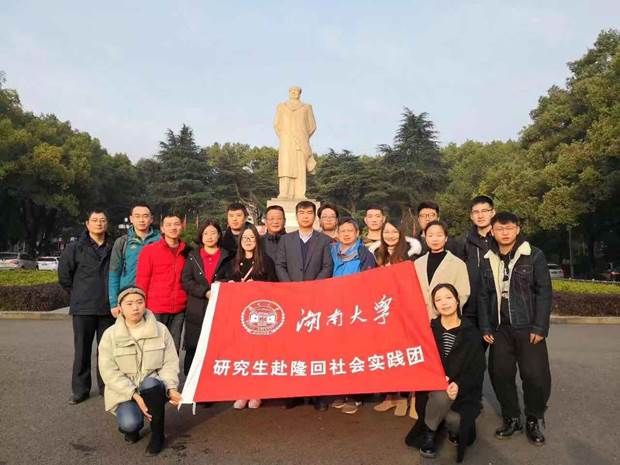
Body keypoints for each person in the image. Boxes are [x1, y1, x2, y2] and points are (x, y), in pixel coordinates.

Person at [478, 212, 552, 446]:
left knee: (535, 376)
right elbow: (483, 295)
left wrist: (540, 326)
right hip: (500, 328)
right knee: (500, 374)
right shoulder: (488, 258)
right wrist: (485, 325)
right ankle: (511, 418)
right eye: (500, 229)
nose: (505, 233)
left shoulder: (534, 255)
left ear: (518, 229)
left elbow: (544, 292)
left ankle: (533, 418)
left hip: (528, 326)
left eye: (509, 228)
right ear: (492, 231)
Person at [405, 284, 485, 463]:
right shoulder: (429, 331)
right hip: (433, 389)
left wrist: (459, 385)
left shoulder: (471, 333)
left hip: (462, 392)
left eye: (448, 297)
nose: (444, 303)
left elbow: (477, 369)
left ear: (457, 300)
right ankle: (430, 433)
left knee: (456, 421)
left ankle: (444, 424)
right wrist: (437, 379)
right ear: (434, 305)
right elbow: (420, 362)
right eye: (438, 299)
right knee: (441, 395)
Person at [98, 287, 181, 456]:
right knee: (129, 423)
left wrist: (171, 387)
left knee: (151, 383)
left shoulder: (160, 330)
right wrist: (135, 395)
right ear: (120, 308)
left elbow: (170, 362)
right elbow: (109, 372)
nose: (135, 307)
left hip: (152, 386)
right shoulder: (110, 335)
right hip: (125, 392)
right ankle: (131, 428)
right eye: (129, 304)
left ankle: (158, 434)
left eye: (139, 302)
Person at [276, 200, 333, 410]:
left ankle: (318, 394)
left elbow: (327, 266)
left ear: (314, 216)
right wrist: (291, 288)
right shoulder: (286, 240)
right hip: (292, 300)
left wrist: (312, 288)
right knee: (293, 348)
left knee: (317, 348)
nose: (305, 216)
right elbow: (280, 265)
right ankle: (295, 392)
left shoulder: (325, 240)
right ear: (296, 216)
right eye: (302, 212)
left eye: (309, 212)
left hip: (316, 300)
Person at [58, 209, 115, 405]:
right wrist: (79, 294)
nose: (99, 223)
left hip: (108, 308)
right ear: (87, 224)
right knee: (82, 350)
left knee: (107, 351)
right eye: (95, 220)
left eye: (102, 220)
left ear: (107, 224)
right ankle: (80, 390)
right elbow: (64, 277)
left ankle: (107, 387)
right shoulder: (75, 248)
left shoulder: (114, 246)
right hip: (83, 307)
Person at [371, 219, 420, 417]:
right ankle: (393, 397)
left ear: (401, 234)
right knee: (388, 356)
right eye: (386, 232)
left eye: (394, 232)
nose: (390, 236)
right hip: (384, 312)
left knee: (409, 355)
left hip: (406, 312)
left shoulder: (411, 255)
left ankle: (414, 399)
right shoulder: (378, 255)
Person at [329, 217, 375, 414]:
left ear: (357, 233)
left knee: (357, 352)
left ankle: (356, 396)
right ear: (337, 233)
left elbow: (370, 281)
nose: (346, 234)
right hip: (335, 309)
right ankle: (341, 391)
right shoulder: (331, 251)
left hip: (356, 310)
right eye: (343, 231)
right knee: (338, 352)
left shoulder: (365, 254)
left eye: (350, 231)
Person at [230, 224, 278, 410]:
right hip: (239, 316)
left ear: (257, 240)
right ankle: (242, 391)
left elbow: (275, 286)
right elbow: (223, 281)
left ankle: (257, 392)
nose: (248, 241)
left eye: (251, 237)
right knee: (241, 355)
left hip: (260, 316)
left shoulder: (266, 262)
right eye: (244, 238)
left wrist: (257, 286)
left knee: (258, 355)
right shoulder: (233, 262)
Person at [181, 219, 233, 376]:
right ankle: (191, 381)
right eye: (205, 233)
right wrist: (205, 292)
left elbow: (231, 277)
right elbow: (186, 280)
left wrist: (221, 285)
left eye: (213, 233)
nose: (209, 237)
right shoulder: (193, 256)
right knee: (195, 344)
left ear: (219, 235)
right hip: (197, 306)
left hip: (220, 306)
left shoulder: (227, 256)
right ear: (201, 236)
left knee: (218, 344)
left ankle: (215, 378)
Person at [136, 214, 189, 353]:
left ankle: (171, 369)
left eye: (176, 224)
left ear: (182, 226)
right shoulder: (149, 251)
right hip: (155, 308)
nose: (173, 228)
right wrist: (140, 305)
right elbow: (142, 280)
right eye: (168, 225)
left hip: (179, 308)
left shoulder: (187, 251)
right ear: (162, 228)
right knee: (153, 348)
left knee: (173, 348)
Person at [108, 203, 160, 317]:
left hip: (155, 298)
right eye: (137, 216)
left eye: (145, 216)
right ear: (131, 219)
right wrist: (114, 303)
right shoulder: (122, 242)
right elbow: (114, 273)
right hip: (129, 296)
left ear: (151, 219)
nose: (141, 220)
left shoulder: (160, 241)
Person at [414, 221, 470, 321]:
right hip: (421, 319)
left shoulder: (458, 264)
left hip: (447, 319)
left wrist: (445, 309)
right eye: (430, 235)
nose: (435, 239)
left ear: (446, 238)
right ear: (425, 238)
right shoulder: (417, 264)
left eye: (439, 235)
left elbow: (463, 294)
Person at [456, 195, 496, 327]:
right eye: (476, 212)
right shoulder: (464, 241)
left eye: (484, 211)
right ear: (471, 216)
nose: (480, 215)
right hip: (471, 306)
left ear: (493, 212)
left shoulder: (501, 239)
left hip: (497, 305)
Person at [273, 86, 317, 199]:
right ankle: (284, 193)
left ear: (300, 93)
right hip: (286, 142)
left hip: (301, 141)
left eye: (296, 91)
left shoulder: (306, 107)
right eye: (291, 91)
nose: (294, 92)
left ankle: (300, 194)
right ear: (289, 93)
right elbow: (277, 125)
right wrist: (285, 136)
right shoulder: (281, 107)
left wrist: (302, 135)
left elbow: (312, 126)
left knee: (300, 169)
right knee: (286, 168)